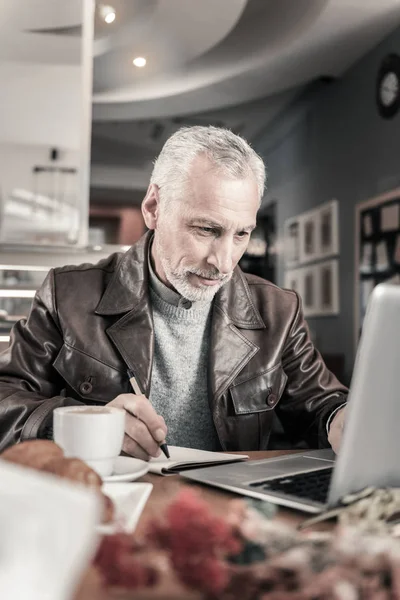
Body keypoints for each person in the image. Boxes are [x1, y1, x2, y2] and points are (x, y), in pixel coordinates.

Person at [0, 126, 347, 459]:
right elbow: (5, 400)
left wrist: (343, 420)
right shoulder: (68, 294)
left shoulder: (278, 310)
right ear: (153, 208)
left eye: (242, 234)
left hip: (228, 507)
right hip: (111, 502)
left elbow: (322, 404)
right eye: (207, 229)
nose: (224, 263)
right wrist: (81, 425)